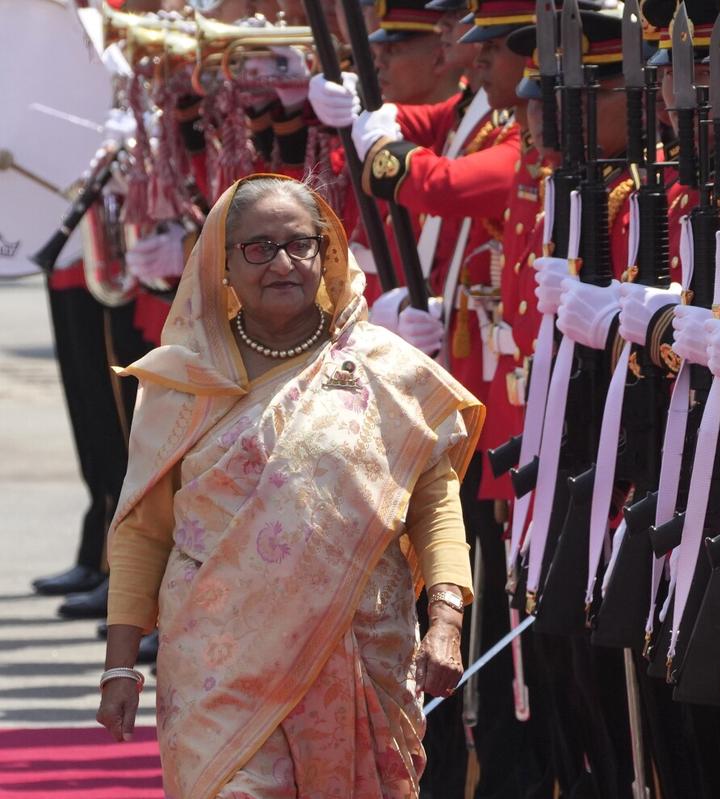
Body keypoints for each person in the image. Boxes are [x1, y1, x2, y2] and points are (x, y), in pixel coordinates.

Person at [95, 174, 482, 797]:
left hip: (355, 649)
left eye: (300, 244)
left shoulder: (384, 370)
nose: (282, 263)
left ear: (327, 254)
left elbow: (434, 503)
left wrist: (445, 618)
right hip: (215, 663)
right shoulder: (181, 381)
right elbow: (143, 532)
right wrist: (120, 667)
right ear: (223, 264)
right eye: (258, 248)